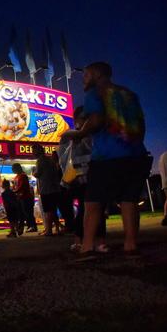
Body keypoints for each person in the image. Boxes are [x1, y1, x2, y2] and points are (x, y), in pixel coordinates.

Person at [61, 62, 150, 258]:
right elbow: (141, 124)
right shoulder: (129, 94)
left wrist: (79, 133)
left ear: (96, 75)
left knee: (93, 203)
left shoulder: (96, 93)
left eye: (86, 75)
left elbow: (96, 120)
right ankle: (130, 245)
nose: (84, 79)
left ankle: (86, 247)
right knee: (129, 201)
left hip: (106, 157)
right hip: (135, 155)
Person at [59, 106, 107, 253]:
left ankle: (99, 241)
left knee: (99, 209)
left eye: (88, 118)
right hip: (80, 178)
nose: (87, 121)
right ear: (77, 119)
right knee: (84, 209)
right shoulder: (71, 134)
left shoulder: (94, 135)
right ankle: (79, 240)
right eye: (84, 118)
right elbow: (67, 137)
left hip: (96, 174)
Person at [32, 144, 61, 236]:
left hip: (46, 188)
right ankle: (57, 228)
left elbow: (37, 174)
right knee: (53, 210)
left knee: (48, 210)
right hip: (54, 188)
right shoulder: (50, 160)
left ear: (38, 151)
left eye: (34, 151)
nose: (33, 153)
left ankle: (49, 231)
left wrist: (33, 172)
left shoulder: (40, 161)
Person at [12, 163, 37, 234]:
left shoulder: (23, 176)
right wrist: (14, 190)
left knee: (28, 212)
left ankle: (32, 226)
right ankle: (22, 228)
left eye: (14, 168)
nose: (13, 170)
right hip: (19, 197)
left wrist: (14, 191)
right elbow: (15, 186)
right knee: (21, 214)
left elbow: (22, 186)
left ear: (18, 168)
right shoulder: (16, 177)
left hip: (25, 197)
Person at [159, 151, 167, 226]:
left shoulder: (163, 155)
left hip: (165, 181)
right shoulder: (166, 155)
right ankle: (166, 216)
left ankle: (166, 216)